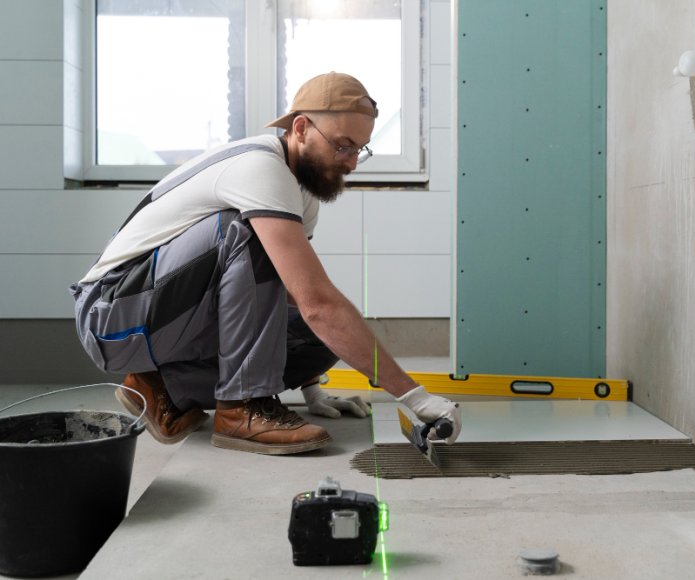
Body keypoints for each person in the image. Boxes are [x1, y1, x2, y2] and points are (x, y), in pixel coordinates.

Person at [69, 72, 461, 455]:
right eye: (343, 146)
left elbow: (288, 294)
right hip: (111, 315)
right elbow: (317, 301)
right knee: (253, 238)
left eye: (360, 149)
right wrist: (415, 397)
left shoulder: (300, 192)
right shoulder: (259, 167)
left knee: (318, 337)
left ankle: (164, 387)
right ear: (302, 128)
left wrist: (312, 387)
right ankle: (243, 408)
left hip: (165, 317)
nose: (352, 163)